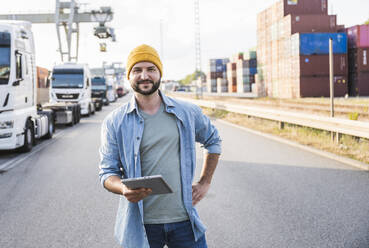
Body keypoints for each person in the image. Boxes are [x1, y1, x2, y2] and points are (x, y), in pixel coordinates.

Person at [99, 44, 221, 248]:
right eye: (137, 70)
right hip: (141, 225)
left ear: (159, 74)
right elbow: (107, 173)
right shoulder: (115, 122)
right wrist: (123, 188)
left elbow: (213, 141)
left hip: (184, 222)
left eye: (150, 69)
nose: (144, 75)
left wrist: (205, 182)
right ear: (129, 77)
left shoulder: (187, 112)